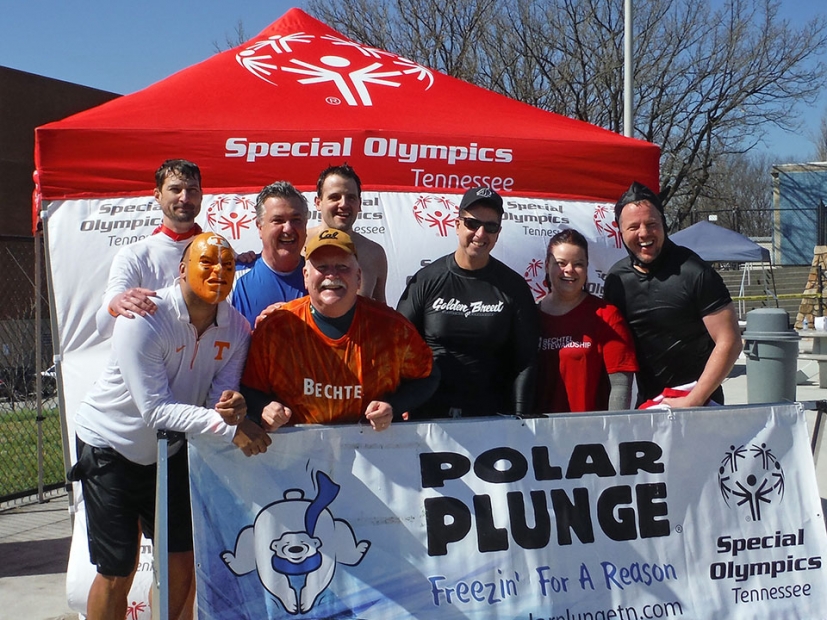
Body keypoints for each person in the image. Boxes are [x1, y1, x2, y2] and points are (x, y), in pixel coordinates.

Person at [71, 233, 271, 620]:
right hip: (112, 446)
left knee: (182, 559)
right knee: (117, 569)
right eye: (207, 263)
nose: (218, 273)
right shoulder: (144, 317)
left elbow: (220, 401)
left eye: (227, 266)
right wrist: (231, 426)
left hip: (171, 449)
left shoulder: (238, 329)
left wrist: (233, 409)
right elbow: (156, 411)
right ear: (182, 270)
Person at [240, 228, 437, 430]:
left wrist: (394, 406)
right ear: (306, 276)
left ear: (359, 276)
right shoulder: (277, 328)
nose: (332, 275)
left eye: (342, 267)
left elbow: (428, 377)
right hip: (298, 455)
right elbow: (248, 387)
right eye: (322, 267)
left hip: (374, 452)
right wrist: (264, 407)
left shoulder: (393, 328)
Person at [396, 186, 539, 418]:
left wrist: (520, 418)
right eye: (473, 224)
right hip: (429, 416)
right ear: (457, 224)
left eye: (490, 227)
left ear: (498, 232)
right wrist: (400, 402)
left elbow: (526, 360)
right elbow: (397, 346)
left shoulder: (514, 287)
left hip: (490, 419)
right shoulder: (427, 279)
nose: (480, 234)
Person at [603, 181, 741, 408]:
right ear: (620, 232)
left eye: (651, 224)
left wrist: (693, 400)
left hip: (701, 404)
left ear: (664, 224)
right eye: (633, 227)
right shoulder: (617, 280)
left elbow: (730, 341)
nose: (644, 233)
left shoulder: (695, 271)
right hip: (648, 406)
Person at [95, 159, 252, 337]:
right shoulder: (134, 255)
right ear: (157, 195)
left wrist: (245, 262)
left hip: (202, 359)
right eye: (175, 190)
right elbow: (104, 327)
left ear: (201, 195)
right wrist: (115, 304)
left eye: (192, 190)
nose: (184, 198)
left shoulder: (220, 250)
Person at [535, 229, 638, 413]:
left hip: (589, 435)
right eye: (561, 263)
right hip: (536, 435)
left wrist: (615, 429)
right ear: (546, 265)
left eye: (578, 264)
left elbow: (621, 385)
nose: (569, 270)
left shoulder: (607, 316)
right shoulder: (530, 315)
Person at [231, 181, 308, 326]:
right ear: (260, 227)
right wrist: (258, 334)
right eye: (278, 220)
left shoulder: (320, 277)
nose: (288, 229)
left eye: (296, 220)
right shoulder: (232, 278)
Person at [308, 164, 388, 303]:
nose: (344, 204)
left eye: (351, 197)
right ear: (318, 203)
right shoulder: (298, 244)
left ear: (360, 204)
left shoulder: (374, 253)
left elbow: (381, 313)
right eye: (335, 197)